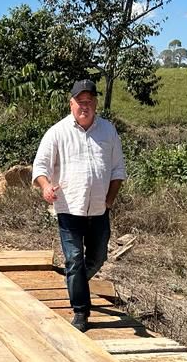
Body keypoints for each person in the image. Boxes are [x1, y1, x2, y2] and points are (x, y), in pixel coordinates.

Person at [32, 79, 126, 333]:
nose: (85, 106)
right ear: (71, 103)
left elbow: (118, 169)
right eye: (80, 102)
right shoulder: (57, 132)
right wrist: (45, 187)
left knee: (97, 257)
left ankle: (75, 282)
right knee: (74, 259)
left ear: (95, 103)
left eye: (89, 101)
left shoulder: (108, 131)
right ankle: (81, 312)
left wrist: (110, 199)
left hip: (99, 209)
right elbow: (40, 167)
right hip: (69, 208)